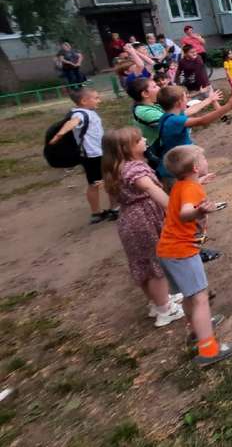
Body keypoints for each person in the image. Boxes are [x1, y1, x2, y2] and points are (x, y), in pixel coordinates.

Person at [157, 145, 232, 367]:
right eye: (203, 158)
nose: (205, 160)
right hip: (182, 251)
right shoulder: (191, 190)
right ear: (195, 167)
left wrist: (200, 183)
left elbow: (185, 196)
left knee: (189, 296)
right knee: (201, 298)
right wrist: (200, 211)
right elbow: (185, 213)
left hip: (167, 250)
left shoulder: (182, 185)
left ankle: (196, 330)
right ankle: (209, 350)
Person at [101, 127, 184, 328]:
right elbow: (150, 188)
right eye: (139, 140)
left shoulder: (115, 168)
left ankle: (158, 302)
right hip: (144, 221)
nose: (145, 140)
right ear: (126, 148)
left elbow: (115, 199)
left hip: (129, 220)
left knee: (144, 265)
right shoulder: (134, 170)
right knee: (156, 266)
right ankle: (166, 310)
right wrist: (174, 210)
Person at [47, 87, 115, 224]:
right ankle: (113, 209)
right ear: (84, 101)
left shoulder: (86, 112)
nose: (99, 100)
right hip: (94, 155)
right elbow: (72, 123)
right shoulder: (80, 114)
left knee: (95, 183)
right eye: (96, 98)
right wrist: (59, 135)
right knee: (108, 181)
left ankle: (98, 212)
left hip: (94, 154)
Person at [154, 85, 232, 182]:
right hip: (176, 167)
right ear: (179, 102)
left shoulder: (168, 116)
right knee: (184, 192)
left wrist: (210, 99)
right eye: (185, 97)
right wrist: (228, 106)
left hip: (176, 163)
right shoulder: (174, 121)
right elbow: (202, 121)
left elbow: (193, 109)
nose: (187, 99)